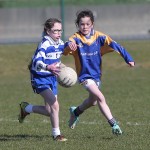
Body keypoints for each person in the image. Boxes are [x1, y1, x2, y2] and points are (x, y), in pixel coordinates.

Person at [63, 9, 135, 135]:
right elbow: (67, 46)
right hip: (84, 76)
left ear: (92, 24)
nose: (84, 27)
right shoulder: (75, 38)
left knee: (93, 101)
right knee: (101, 97)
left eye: (87, 24)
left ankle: (75, 112)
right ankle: (114, 124)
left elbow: (115, 45)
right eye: (82, 24)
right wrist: (70, 45)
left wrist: (128, 58)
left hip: (96, 75)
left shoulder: (100, 37)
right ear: (78, 25)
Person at [18, 18, 67, 142]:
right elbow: (37, 61)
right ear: (48, 31)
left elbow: (63, 52)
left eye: (60, 31)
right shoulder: (45, 44)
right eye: (55, 31)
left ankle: (26, 108)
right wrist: (48, 67)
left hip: (52, 77)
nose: (58, 33)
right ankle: (57, 135)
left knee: (49, 110)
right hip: (40, 78)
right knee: (55, 105)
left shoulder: (60, 43)